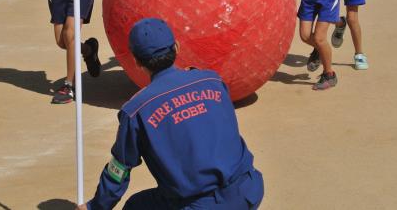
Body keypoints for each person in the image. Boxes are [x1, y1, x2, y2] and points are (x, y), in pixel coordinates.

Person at [78, 17, 264, 210]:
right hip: (249, 189)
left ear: (136, 61)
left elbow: (119, 171)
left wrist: (94, 207)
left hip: (200, 205)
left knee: (135, 206)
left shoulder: (136, 110)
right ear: (176, 48)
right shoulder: (213, 81)